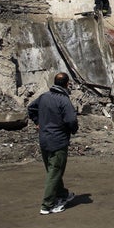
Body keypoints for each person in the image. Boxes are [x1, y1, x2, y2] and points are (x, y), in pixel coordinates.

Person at [28, 72, 79, 215]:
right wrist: (73, 130)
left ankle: (62, 194)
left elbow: (31, 109)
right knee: (55, 172)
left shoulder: (44, 97)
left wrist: (38, 122)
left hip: (44, 139)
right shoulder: (64, 100)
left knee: (53, 170)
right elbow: (71, 121)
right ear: (67, 84)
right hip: (58, 140)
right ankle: (48, 205)